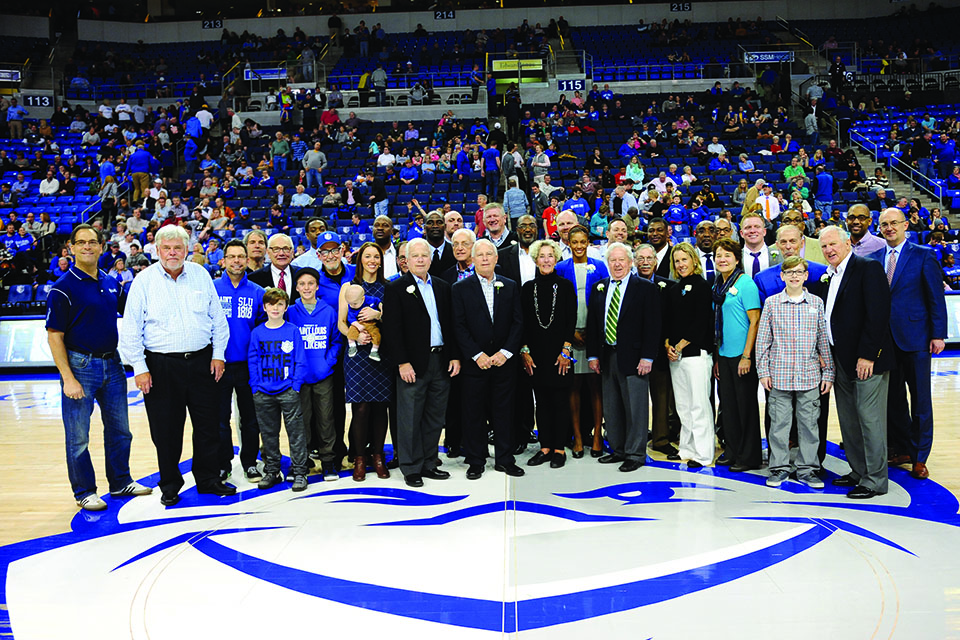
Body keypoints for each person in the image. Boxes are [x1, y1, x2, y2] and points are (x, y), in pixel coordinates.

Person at [119, 225, 233, 507]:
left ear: (187, 249)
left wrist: (218, 354)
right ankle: (170, 484)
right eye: (167, 248)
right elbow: (131, 329)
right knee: (166, 430)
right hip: (160, 366)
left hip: (202, 362)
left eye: (178, 248)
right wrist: (139, 367)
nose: (173, 253)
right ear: (157, 250)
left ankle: (207, 479)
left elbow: (217, 319)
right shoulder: (143, 282)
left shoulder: (200, 274)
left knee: (207, 426)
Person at [46, 224, 152, 511]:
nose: (88, 247)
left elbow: (131, 314)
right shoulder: (62, 288)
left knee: (120, 430)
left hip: (113, 363)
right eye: (81, 243)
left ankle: (120, 482)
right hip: (80, 365)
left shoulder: (110, 282)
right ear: (71, 248)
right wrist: (68, 377)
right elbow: (54, 336)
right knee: (78, 435)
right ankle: (84, 491)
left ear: (102, 247)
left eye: (93, 242)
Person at [868, 208, 947, 480]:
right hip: (885, 341)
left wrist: (938, 334)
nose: (889, 228)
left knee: (921, 400)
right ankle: (902, 448)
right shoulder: (873, 259)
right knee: (893, 400)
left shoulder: (923, 254)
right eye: (884, 224)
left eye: (894, 223)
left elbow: (935, 297)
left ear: (905, 226)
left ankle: (920, 457)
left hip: (917, 339)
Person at [819, 226, 893, 499]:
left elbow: (878, 315)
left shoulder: (867, 268)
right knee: (849, 420)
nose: (829, 250)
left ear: (847, 243)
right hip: (840, 359)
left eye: (833, 244)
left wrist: (868, 355)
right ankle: (859, 470)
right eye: (824, 246)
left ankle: (875, 479)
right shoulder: (832, 275)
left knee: (869, 420)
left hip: (866, 361)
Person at [382, 238, 460, 487]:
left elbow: (450, 324)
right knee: (410, 417)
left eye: (424, 255)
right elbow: (392, 330)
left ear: (430, 258)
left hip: (441, 359)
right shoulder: (396, 288)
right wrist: (402, 362)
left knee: (435, 416)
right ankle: (411, 466)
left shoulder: (442, 286)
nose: (420, 260)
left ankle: (429, 461)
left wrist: (455, 355)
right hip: (413, 364)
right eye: (414, 256)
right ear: (405, 260)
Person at [756, 256, 834, 489]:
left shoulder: (816, 303)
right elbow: (763, 341)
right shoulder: (771, 303)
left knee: (809, 426)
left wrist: (828, 372)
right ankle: (779, 468)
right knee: (779, 425)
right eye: (789, 273)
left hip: (809, 376)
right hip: (779, 375)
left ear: (806, 275)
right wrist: (763, 371)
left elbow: (823, 340)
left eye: (799, 272)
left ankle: (808, 469)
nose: (794, 276)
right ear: (782, 276)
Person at [451, 239, 525, 479]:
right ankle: (476, 460)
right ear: (472, 260)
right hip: (476, 363)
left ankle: (505, 458)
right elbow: (458, 326)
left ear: (496, 258)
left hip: (504, 363)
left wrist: (505, 353)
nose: (484, 258)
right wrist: (476, 355)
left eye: (488, 254)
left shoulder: (511, 285)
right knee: (474, 413)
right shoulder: (460, 288)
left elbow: (518, 322)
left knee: (505, 412)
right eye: (479, 255)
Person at [586, 242, 661, 471]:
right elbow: (593, 324)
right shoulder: (600, 287)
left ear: (631, 263)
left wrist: (648, 357)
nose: (617, 264)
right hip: (607, 356)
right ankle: (617, 449)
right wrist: (592, 355)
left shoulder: (646, 288)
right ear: (607, 263)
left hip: (635, 358)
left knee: (635, 408)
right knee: (612, 406)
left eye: (621, 260)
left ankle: (635, 454)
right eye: (612, 260)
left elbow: (653, 326)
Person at [338, 242, 392, 481]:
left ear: (381, 261)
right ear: (360, 260)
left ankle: (378, 456)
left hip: (380, 354)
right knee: (360, 408)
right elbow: (341, 322)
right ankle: (359, 458)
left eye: (376, 257)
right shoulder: (349, 287)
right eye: (367, 256)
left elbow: (396, 320)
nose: (372, 260)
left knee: (381, 406)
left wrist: (379, 315)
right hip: (356, 355)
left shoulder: (388, 287)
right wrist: (356, 334)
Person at [247, 287, 309, 492]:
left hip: (288, 391)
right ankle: (272, 470)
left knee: (296, 433)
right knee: (268, 434)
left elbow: (300, 358)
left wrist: (296, 385)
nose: (275, 308)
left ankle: (300, 471)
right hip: (263, 392)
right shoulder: (257, 332)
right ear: (264, 307)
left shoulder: (292, 330)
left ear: (285, 307)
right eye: (271, 304)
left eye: (280, 304)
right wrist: (255, 386)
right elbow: (253, 359)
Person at [214, 239, 265, 482]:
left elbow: (263, 329)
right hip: (219, 364)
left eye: (240, 256)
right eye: (231, 256)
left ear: (247, 260)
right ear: (223, 260)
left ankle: (250, 462)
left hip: (249, 365)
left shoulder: (257, 292)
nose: (236, 260)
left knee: (250, 418)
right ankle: (223, 463)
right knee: (220, 418)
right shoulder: (212, 289)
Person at [555, 225, 609, 456]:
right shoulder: (560, 268)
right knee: (573, 387)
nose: (578, 246)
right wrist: (570, 334)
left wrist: (592, 331)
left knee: (596, 387)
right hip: (571, 336)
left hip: (594, 335)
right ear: (568, 242)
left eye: (582, 242)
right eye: (574, 242)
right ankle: (577, 436)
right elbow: (557, 306)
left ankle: (597, 435)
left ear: (588, 242)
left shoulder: (599, 267)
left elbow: (606, 300)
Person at [712, 238, 762, 472]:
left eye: (727, 255)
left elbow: (754, 321)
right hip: (723, 354)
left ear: (736, 258)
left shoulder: (746, 284)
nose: (722, 259)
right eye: (718, 256)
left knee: (746, 408)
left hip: (742, 356)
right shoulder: (717, 285)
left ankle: (749, 456)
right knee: (728, 407)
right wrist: (717, 359)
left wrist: (747, 356)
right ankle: (732, 450)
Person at [287, 267, 342, 481]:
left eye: (311, 283)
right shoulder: (291, 312)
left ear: (317, 286)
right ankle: (300, 462)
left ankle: (328, 461)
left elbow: (336, 340)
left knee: (326, 419)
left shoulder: (328, 311)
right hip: (299, 377)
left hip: (323, 375)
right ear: (297, 288)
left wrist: (328, 363)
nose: (307, 287)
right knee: (300, 420)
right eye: (302, 284)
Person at [664, 242, 715, 468]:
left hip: (696, 354)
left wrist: (681, 345)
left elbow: (701, 322)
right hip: (676, 357)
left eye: (684, 259)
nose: (681, 264)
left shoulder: (703, 286)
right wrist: (668, 345)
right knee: (683, 406)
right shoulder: (674, 289)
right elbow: (668, 323)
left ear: (694, 260)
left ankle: (703, 454)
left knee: (699, 405)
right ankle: (687, 448)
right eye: (677, 261)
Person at [635, 243, 680, 456]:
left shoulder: (669, 286)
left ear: (656, 261)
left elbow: (673, 320)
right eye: (640, 258)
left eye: (649, 258)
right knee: (635, 398)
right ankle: (636, 437)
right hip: (633, 353)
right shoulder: (626, 284)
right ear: (634, 261)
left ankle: (661, 439)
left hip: (661, 352)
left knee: (662, 398)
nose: (645, 262)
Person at [249, 233, 299, 301]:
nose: (281, 253)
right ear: (268, 252)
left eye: (286, 249)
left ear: (292, 252)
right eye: (276, 249)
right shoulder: (253, 278)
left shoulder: (302, 274)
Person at [344, 283, 383, 361]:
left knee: (377, 335)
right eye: (349, 303)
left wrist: (381, 311)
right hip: (357, 324)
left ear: (362, 299)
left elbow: (378, 302)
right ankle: (352, 346)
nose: (351, 305)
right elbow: (351, 319)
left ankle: (374, 351)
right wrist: (358, 327)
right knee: (351, 332)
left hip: (371, 324)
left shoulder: (370, 300)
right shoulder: (351, 307)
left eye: (354, 303)